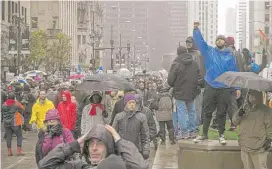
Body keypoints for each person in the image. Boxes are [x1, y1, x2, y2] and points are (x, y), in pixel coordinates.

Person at [192, 22, 240, 144]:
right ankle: (204, 134)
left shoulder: (230, 56)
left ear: (225, 42)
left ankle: (221, 135)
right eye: (217, 39)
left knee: (221, 112)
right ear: (215, 42)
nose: (219, 41)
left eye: (221, 39)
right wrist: (196, 29)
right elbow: (200, 42)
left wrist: (237, 87)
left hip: (224, 87)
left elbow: (234, 72)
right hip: (211, 85)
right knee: (207, 110)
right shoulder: (209, 52)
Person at [39, 124, 149, 169]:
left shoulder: (119, 166)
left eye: (100, 143)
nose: (94, 148)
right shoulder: (79, 166)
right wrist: (75, 144)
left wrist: (119, 141)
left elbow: (141, 167)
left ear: (109, 147)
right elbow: (44, 166)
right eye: (91, 143)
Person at [232, 90, 272, 169]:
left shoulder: (266, 110)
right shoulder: (244, 108)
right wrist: (238, 115)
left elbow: (270, 126)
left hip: (260, 147)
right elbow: (235, 122)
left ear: (259, 96)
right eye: (250, 94)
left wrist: (269, 139)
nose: (252, 96)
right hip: (245, 145)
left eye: (254, 94)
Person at [167, 46, 200, 139]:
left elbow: (170, 80)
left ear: (178, 53)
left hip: (179, 91)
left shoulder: (176, 63)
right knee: (191, 111)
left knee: (181, 112)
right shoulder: (194, 63)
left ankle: (184, 132)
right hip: (192, 91)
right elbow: (199, 76)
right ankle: (193, 131)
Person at [112, 94, 150, 159]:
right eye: (130, 103)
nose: (132, 104)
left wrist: (146, 149)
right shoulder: (119, 116)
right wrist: (114, 149)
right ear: (126, 104)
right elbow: (113, 134)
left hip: (137, 150)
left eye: (133, 102)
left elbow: (145, 135)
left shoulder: (141, 117)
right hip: (122, 150)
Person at [185, 36, 205, 130]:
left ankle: (196, 125)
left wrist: (199, 81)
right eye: (187, 42)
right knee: (188, 107)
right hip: (187, 84)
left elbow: (200, 69)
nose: (188, 44)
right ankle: (190, 125)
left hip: (197, 83)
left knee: (197, 106)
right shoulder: (185, 53)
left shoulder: (198, 54)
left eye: (190, 42)